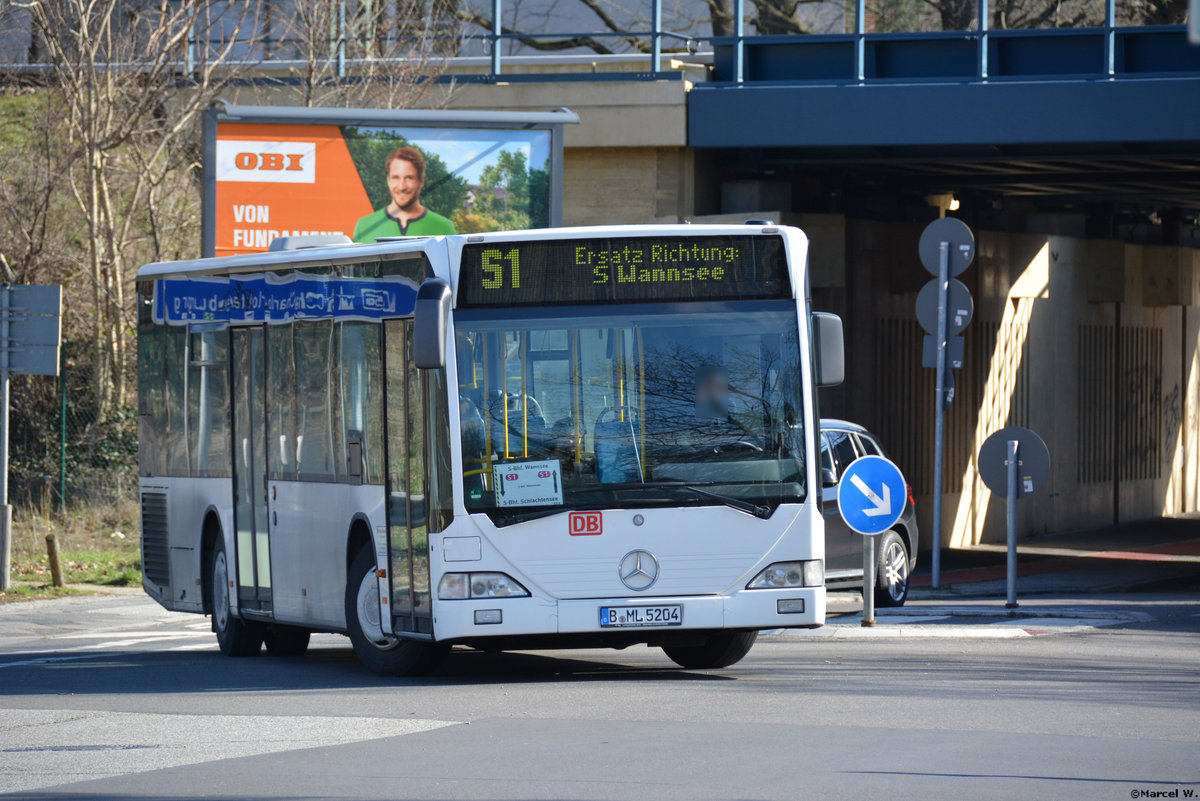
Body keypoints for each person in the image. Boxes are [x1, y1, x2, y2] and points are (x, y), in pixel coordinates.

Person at [353, 147, 456, 242]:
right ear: (388, 180)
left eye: (409, 178)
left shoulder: (444, 228)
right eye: (396, 177)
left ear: (421, 181)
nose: (402, 186)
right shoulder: (364, 226)